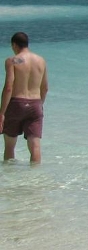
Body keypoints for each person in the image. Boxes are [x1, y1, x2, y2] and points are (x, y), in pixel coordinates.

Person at [3, 32, 48, 164]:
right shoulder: (41, 61)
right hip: (35, 104)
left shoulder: (12, 61)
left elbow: (8, 87)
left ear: (14, 45)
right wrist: (39, 105)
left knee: (10, 145)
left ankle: (10, 175)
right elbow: (45, 88)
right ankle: (35, 175)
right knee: (35, 146)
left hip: (16, 103)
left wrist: (2, 113)